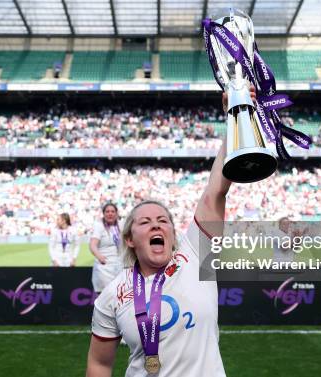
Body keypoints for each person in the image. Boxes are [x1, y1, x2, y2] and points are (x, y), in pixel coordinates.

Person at [86, 88, 255, 377]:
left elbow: (215, 191)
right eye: (145, 222)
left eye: (164, 220)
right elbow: (99, 364)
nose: (156, 225)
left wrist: (235, 117)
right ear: (129, 238)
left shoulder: (195, 255)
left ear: (173, 233)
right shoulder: (113, 294)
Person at [89, 203, 124, 294]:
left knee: (119, 296)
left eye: (112, 211)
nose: (110, 213)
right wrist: (99, 256)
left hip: (119, 266)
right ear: (103, 214)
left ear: (116, 213)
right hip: (104, 267)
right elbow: (92, 245)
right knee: (106, 297)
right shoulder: (99, 226)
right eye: (107, 211)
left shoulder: (121, 225)